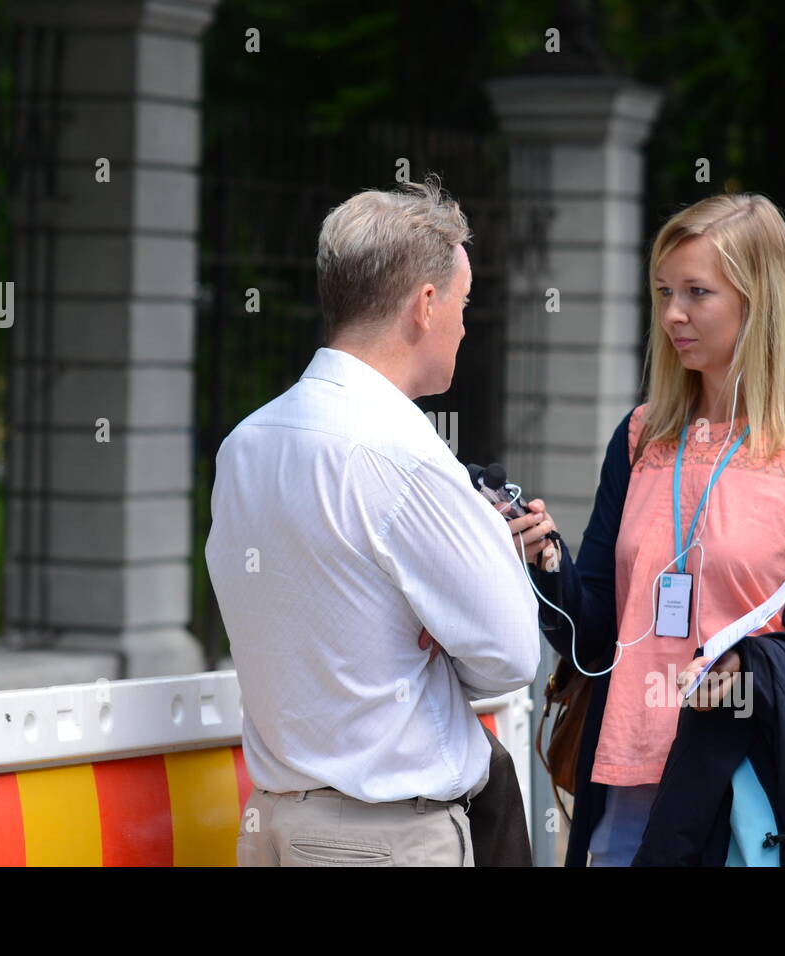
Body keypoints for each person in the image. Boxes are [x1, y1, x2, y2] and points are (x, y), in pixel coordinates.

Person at [516, 193, 785, 866]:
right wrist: (546, 561)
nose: (672, 315)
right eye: (664, 291)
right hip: (623, 793)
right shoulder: (639, 438)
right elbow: (595, 635)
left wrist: (757, 667)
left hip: (748, 792)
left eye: (698, 292)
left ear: (760, 301)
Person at [206, 176, 541, 867]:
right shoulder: (405, 454)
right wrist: (450, 616)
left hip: (272, 821)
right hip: (386, 838)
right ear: (424, 306)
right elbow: (512, 656)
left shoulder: (245, 445)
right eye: (463, 302)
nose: (464, 324)